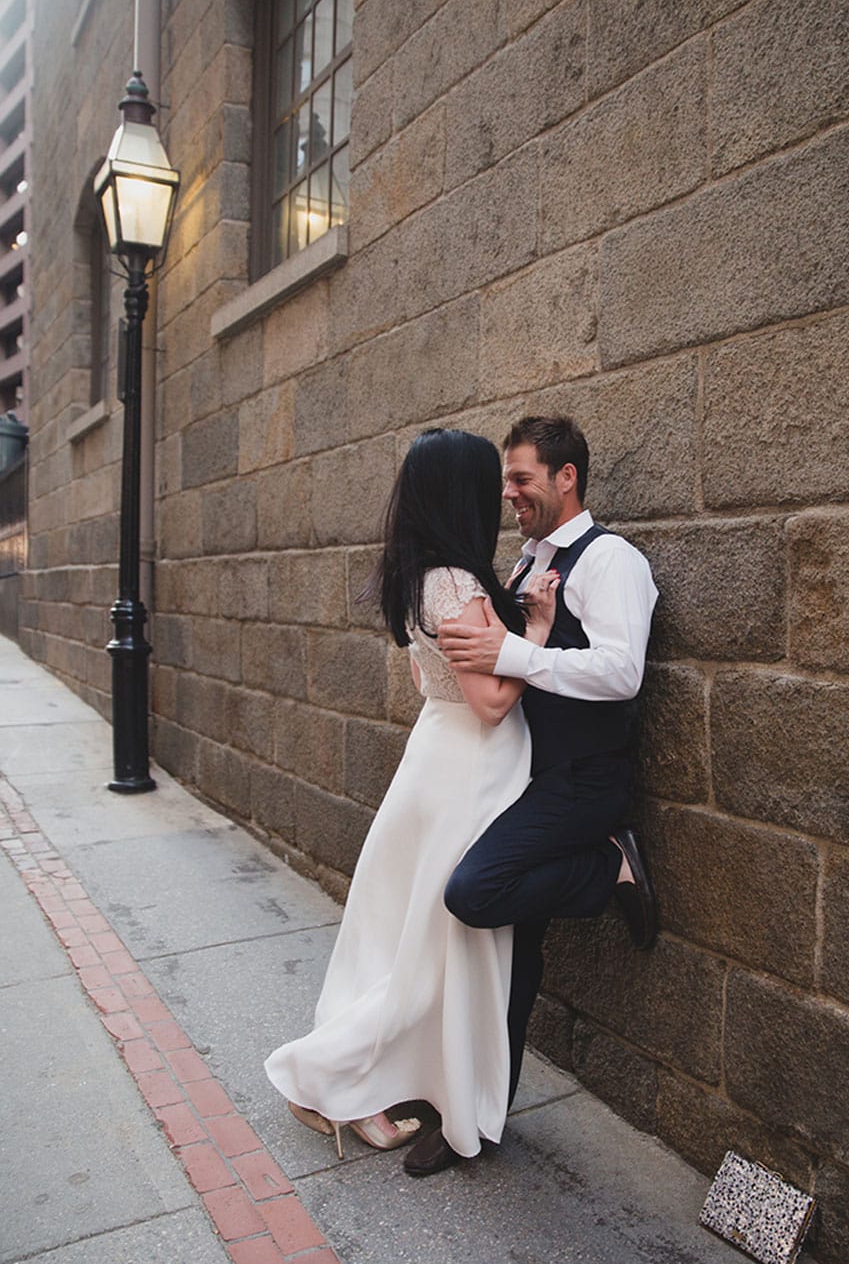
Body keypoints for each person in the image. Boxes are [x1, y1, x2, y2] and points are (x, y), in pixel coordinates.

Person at [264, 428, 559, 1163]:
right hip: (468, 765)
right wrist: (540, 636)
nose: (498, 496)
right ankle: (322, 1079)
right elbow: (491, 703)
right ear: (458, 493)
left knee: (404, 937)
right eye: (488, 482)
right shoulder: (455, 583)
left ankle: (381, 1079)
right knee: (432, 947)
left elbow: (431, 683)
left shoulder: (420, 576)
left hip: (440, 754)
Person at [402, 414, 659, 1178]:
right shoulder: (520, 566)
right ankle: (472, 1116)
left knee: (476, 893)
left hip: (582, 783)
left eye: (521, 479)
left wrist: (516, 648)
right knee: (513, 955)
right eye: (504, 481)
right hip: (522, 778)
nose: (508, 493)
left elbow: (622, 671)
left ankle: (611, 866)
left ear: (566, 477)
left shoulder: (612, 560)